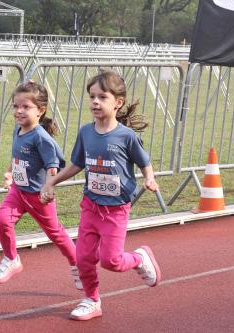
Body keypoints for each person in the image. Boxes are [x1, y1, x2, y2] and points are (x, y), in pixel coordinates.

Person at [41, 70, 162, 321]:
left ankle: (138, 258)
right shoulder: (86, 132)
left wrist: (149, 178)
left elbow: (144, 161)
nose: (95, 102)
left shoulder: (126, 136)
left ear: (117, 103)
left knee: (111, 261)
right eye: (92, 96)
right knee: (83, 257)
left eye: (102, 97)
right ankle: (92, 300)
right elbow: (76, 165)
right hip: (91, 206)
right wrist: (52, 180)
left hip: (116, 210)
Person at [0, 80, 82, 290]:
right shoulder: (18, 130)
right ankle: (11, 259)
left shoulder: (42, 138)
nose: (19, 111)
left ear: (40, 111)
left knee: (55, 233)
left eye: (25, 107)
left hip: (38, 196)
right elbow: (17, 156)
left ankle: (78, 264)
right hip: (18, 192)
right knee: (2, 220)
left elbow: (53, 166)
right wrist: (10, 173)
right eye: (15, 106)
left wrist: (49, 187)